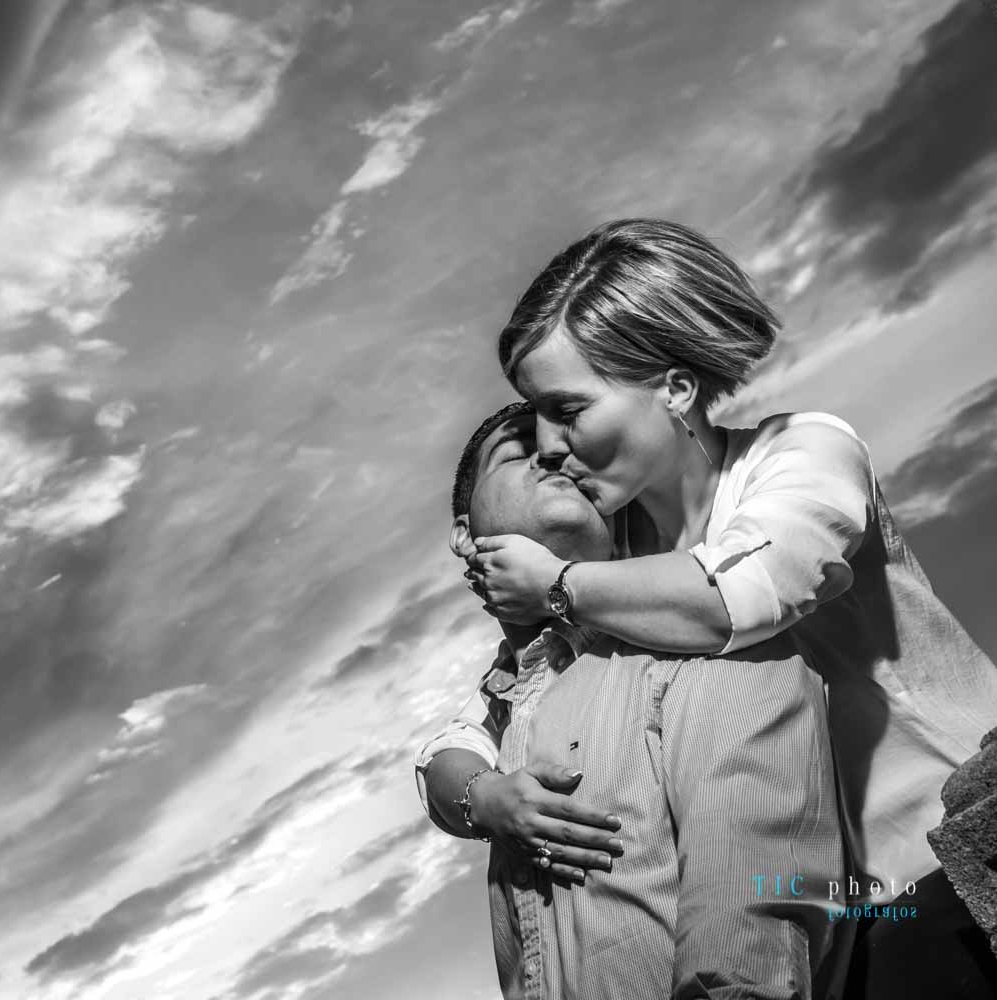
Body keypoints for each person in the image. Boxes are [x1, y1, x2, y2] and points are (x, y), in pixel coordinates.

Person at [462, 218, 997, 997]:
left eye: (567, 410)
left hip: (946, 870)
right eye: (532, 413)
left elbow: (737, 597)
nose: (545, 442)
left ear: (675, 389)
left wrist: (557, 585)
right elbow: (514, 705)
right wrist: (480, 794)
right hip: (822, 938)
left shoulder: (804, 454)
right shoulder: (618, 558)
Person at [415, 401, 849, 1000]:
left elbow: (749, 932)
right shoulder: (511, 697)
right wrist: (480, 797)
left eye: (571, 446)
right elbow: (446, 752)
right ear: (465, 534)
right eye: (517, 450)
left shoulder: (700, 646)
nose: (552, 453)